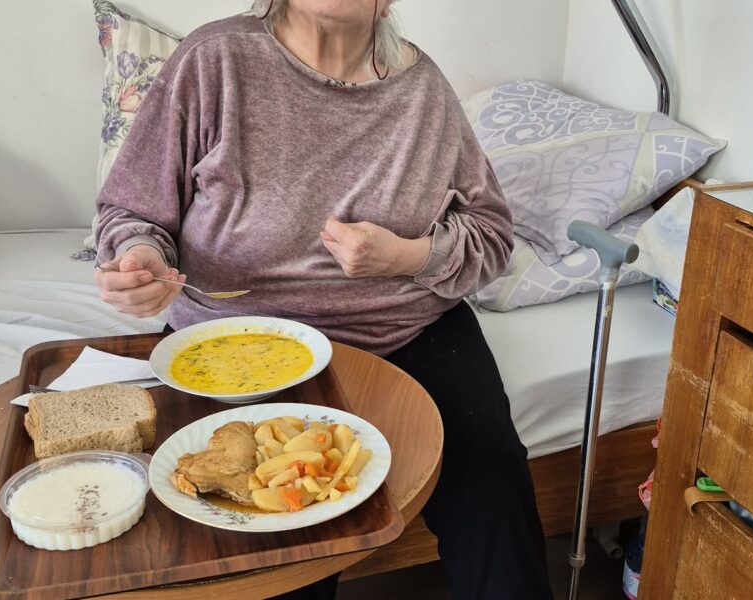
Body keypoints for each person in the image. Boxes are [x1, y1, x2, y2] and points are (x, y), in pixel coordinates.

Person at [93, 1, 552, 598]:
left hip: (407, 334)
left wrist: (405, 256)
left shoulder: (423, 92)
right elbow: (132, 210)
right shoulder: (215, 60)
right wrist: (142, 255)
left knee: (494, 491)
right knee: (279, 535)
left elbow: (492, 236)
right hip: (235, 347)